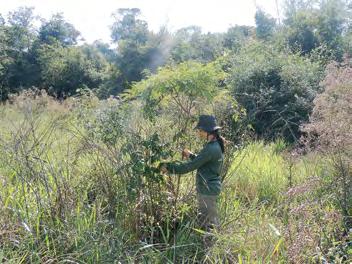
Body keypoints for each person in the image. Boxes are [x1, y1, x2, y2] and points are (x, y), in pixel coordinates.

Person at [159, 115, 225, 231]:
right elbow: (202, 161)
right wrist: (190, 155)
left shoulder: (211, 148)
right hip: (210, 189)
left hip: (207, 191)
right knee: (208, 221)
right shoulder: (215, 145)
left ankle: (209, 247)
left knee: (208, 224)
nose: (198, 133)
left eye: (200, 130)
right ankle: (208, 245)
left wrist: (168, 167)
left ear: (208, 131)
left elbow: (189, 167)